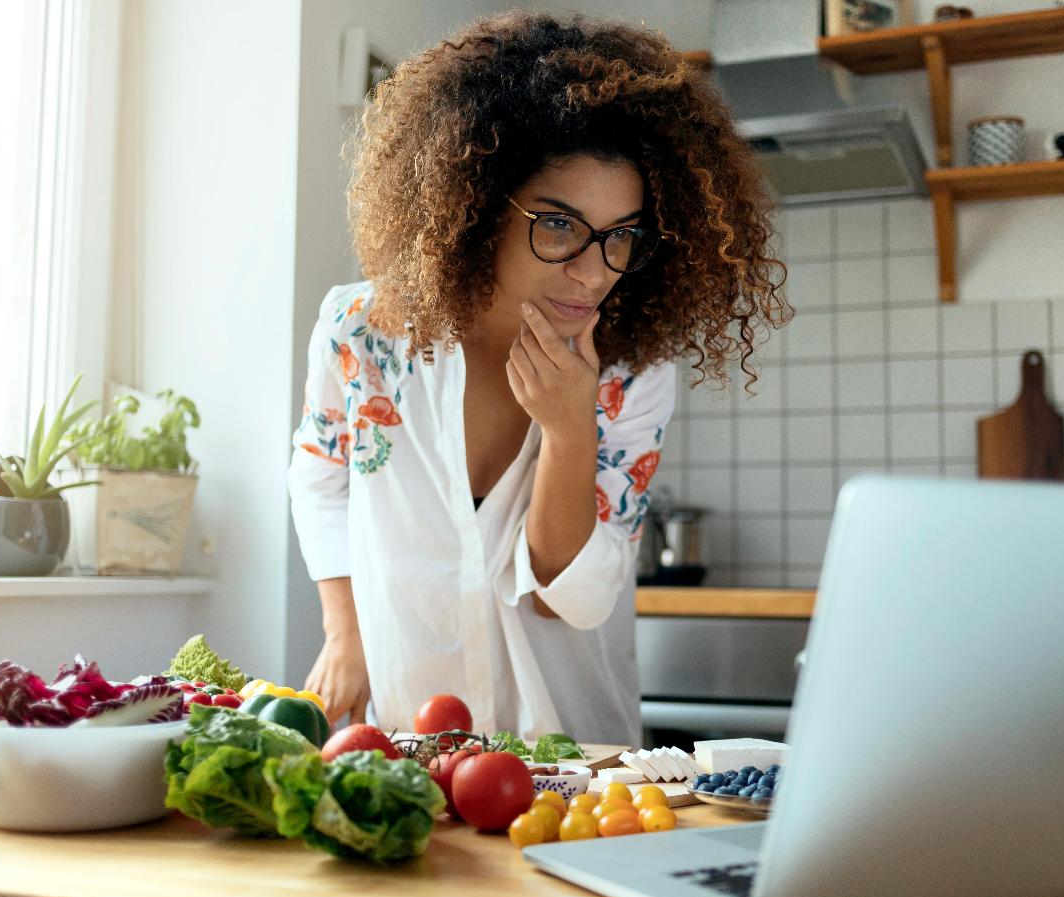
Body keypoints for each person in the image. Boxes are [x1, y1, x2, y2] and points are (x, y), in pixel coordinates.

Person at [288, 11, 788, 745]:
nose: (593, 271)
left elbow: (573, 600)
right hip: (409, 748)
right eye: (558, 224)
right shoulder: (363, 333)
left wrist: (568, 426)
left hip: (580, 768)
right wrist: (346, 633)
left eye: (622, 236)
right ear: (477, 206)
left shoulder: (631, 371)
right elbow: (320, 476)